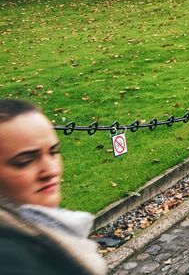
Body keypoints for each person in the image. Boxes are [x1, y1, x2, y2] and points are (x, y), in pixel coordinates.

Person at [0, 100, 108, 275]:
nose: (51, 170)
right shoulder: (12, 260)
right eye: (24, 162)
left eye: (53, 152)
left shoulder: (37, 228)